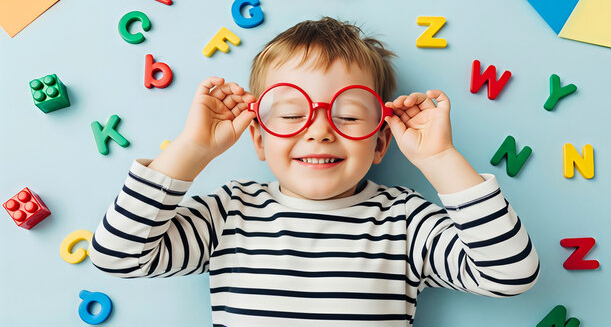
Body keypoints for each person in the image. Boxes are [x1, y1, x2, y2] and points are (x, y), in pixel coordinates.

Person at [88, 17, 539, 327]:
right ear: (260, 139)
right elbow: (117, 255)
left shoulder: (405, 222)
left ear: (381, 141)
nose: (319, 130)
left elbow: (510, 275)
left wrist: (439, 159)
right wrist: (192, 150)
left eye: (347, 114)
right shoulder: (229, 213)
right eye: (289, 114)